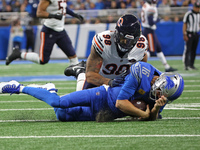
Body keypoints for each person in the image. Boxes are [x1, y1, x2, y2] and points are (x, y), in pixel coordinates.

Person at [0, 62, 184, 122]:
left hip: (107, 114)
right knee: (59, 103)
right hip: (102, 94)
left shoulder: (163, 94)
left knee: (61, 116)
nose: (160, 97)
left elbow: (151, 118)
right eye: (160, 93)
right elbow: (122, 103)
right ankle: (19, 87)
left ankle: (50, 89)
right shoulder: (141, 71)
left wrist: (156, 110)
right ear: (160, 81)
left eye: (164, 97)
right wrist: (142, 114)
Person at [64, 14, 149, 91]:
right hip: (99, 78)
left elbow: (140, 75)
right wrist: (110, 82)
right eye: (124, 38)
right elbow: (90, 75)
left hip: (120, 81)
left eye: (131, 40)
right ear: (117, 33)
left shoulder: (141, 47)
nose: (126, 43)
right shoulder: (104, 41)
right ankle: (80, 72)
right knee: (81, 104)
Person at [5, 0, 84, 67]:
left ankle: (80, 80)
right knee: (42, 60)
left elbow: (62, 7)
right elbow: (39, 13)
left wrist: (74, 14)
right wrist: (53, 16)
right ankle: (18, 54)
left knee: (73, 56)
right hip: (49, 30)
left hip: (61, 30)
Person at [141, 0, 177, 72]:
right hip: (149, 31)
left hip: (148, 30)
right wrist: (158, 20)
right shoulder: (150, 8)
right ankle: (140, 66)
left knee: (158, 48)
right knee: (150, 51)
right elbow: (151, 22)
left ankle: (167, 66)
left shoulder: (146, 6)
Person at [182, 1, 200, 70]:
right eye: (196, 7)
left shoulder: (199, 14)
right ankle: (186, 65)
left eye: (198, 7)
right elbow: (185, 24)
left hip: (196, 33)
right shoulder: (188, 14)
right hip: (189, 33)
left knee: (194, 50)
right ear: (193, 7)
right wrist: (184, 34)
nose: (197, 9)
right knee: (188, 50)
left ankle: (191, 65)